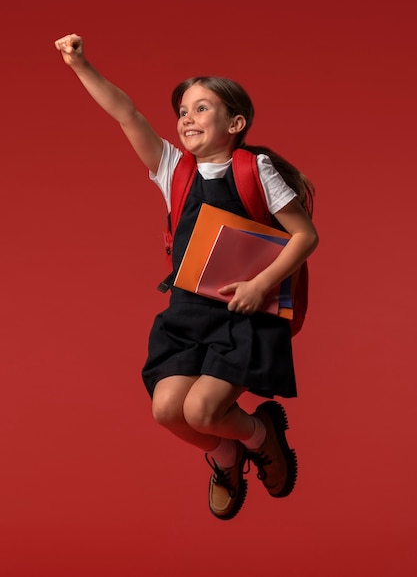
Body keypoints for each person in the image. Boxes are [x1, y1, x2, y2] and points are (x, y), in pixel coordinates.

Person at [55, 34, 319, 520]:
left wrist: (262, 285)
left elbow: (305, 236)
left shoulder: (255, 169)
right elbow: (127, 115)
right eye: (182, 111)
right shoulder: (173, 169)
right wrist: (81, 66)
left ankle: (264, 437)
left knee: (202, 412)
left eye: (201, 108)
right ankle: (227, 455)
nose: (187, 118)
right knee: (166, 410)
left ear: (235, 124)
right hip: (191, 309)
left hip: (246, 312)